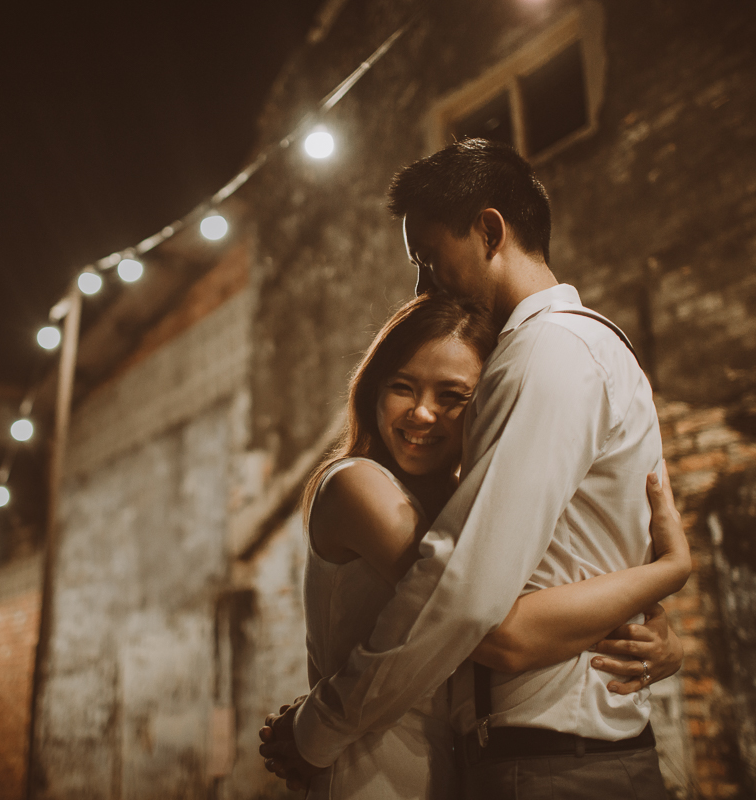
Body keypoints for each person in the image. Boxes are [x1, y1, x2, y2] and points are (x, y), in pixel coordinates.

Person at [261, 138, 678, 798]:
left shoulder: (548, 354)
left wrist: (315, 731)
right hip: (529, 753)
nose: (422, 287)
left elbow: (468, 602)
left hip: (554, 757)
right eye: (405, 386)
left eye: (428, 260)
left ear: (488, 232)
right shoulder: (567, 352)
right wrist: (654, 591)